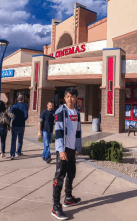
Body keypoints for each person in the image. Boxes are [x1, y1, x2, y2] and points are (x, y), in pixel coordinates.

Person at [52, 87, 82, 220]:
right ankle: (55, 206)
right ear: (64, 98)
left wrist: (76, 147)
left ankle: (68, 198)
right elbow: (58, 131)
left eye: (73, 96)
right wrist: (61, 149)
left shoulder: (76, 112)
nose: (70, 99)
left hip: (71, 149)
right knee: (59, 177)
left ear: (76, 98)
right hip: (63, 149)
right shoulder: (60, 111)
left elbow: (77, 131)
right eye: (68, 96)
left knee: (71, 173)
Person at [10, 94, 28, 160]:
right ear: (23, 99)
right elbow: (26, 116)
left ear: (17, 99)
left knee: (13, 140)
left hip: (14, 124)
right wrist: (22, 120)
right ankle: (19, 151)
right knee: (20, 139)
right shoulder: (25, 106)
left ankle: (12, 154)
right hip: (21, 124)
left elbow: (10, 115)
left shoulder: (14, 106)